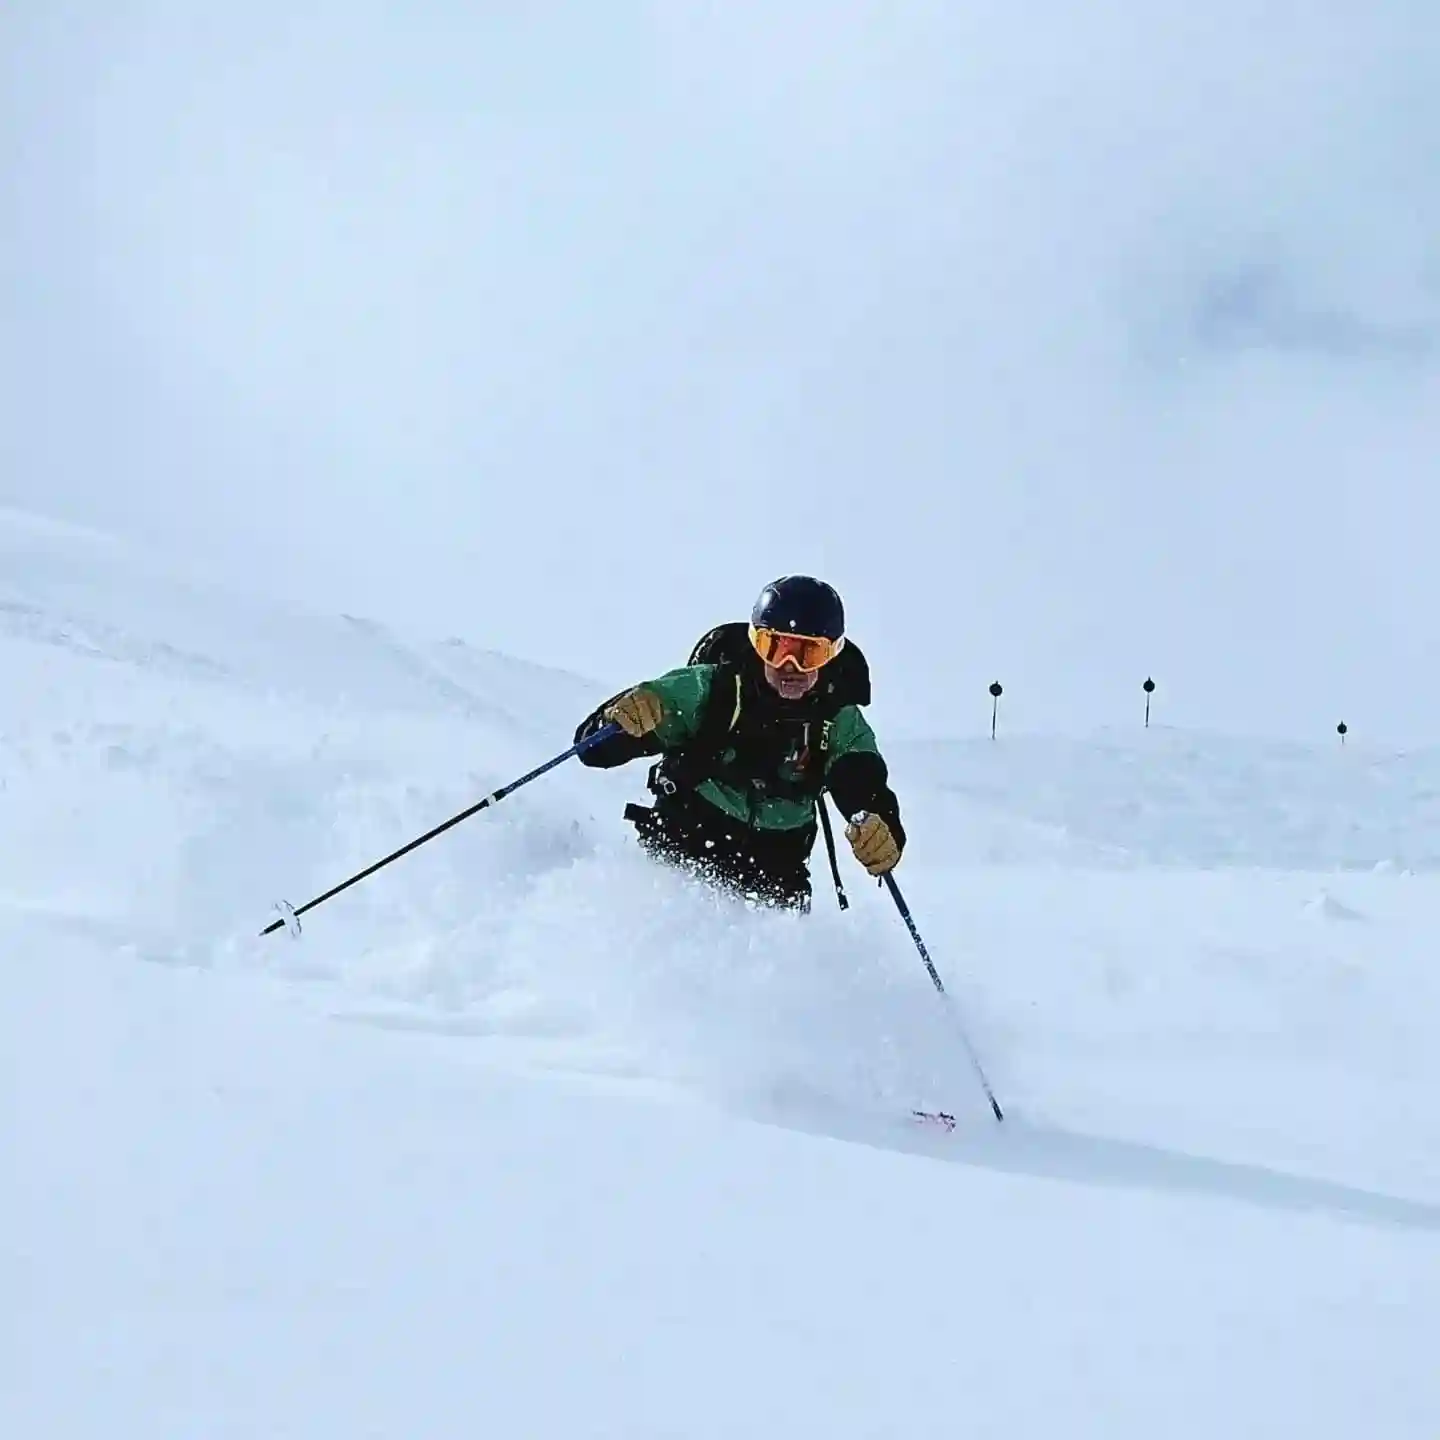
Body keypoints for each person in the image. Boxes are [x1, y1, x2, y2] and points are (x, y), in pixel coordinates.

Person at [574, 575, 905, 909]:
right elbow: (592, 749)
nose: (790, 667)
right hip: (688, 834)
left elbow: (862, 781)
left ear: (832, 654)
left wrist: (881, 826)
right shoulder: (712, 690)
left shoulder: (838, 718)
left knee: (777, 946)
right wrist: (618, 724)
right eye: (774, 647)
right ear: (755, 644)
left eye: (809, 653)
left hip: (776, 865)